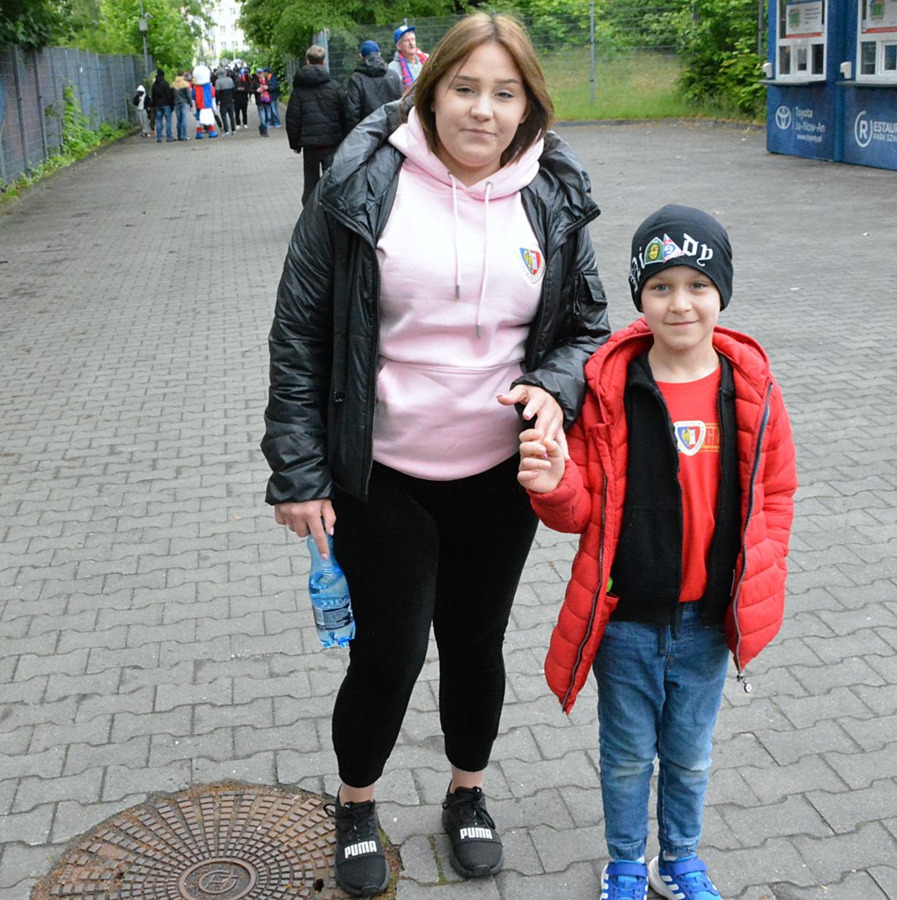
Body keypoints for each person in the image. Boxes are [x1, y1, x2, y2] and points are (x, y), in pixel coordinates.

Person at [263, 12, 608, 896]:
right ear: (428, 90)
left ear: (528, 106)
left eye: (505, 93)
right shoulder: (362, 182)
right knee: (388, 654)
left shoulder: (552, 193)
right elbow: (300, 332)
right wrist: (298, 472)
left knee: (475, 643)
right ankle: (355, 803)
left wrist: (555, 387)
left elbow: (588, 329)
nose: (482, 110)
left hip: (499, 476)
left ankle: (467, 792)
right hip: (382, 473)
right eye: (465, 88)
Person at [518, 206, 797, 900]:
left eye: (698, 285)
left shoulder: (750, 387)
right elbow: (581, 508)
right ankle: (624, 863)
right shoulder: (608, 391)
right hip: (626, 623)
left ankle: (680, 858)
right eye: (661, 286)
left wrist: (765, 564)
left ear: (722, 292)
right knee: (625, 757)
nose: (681, 303)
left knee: (691, 757)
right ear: (639, 296)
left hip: (707, 622)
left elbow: (776, 491)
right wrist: (553, 486)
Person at [287, 45, 351, 205]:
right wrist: (345, 138)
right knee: (332, 182)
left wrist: (295, 144)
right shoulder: (335, 87)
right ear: (324, 62)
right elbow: (345, 115)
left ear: (307, 61)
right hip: (332, 143)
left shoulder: (299, 90)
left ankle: (310, 215)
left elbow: (293, 118)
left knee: (310, 183)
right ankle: (330, 214)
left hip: (310, 147)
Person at [346, 40, 404, 125]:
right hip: (391, 127)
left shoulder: (356, 79)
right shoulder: (393, 75)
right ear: (379, 54)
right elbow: (401, 104)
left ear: (361, 56)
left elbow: (352, 111)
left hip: (367, 129)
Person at [388, 23, 429, 95]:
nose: (411, 43)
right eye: (406, 40)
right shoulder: (392, 68)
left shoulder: (427, 59)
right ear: (398, 46)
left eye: (412, 39)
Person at [151, 68, 174, 142]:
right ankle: (169, 137)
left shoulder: (154, 85)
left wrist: (153, 105)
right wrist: (171, 105)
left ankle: (159, 138)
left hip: (158, 105)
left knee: (159, 121)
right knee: (168, 121)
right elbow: (169, 95)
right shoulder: (165, 84)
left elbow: (153, 96)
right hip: (166, 104)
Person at [215, 65, 238, 135]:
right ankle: (233, 129)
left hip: (223, 101)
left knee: (223, 116)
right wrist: (234, 98)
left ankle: (226, 130)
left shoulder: (218, 81)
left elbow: (217, 93)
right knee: (232, 116)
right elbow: (233, 90)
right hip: (230, 100)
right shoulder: (230, 79)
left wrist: (217, 102)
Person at [171, 71, 193, 141]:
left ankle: (179, 135)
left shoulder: (173, 84)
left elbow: (172, 95)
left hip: (176, 103)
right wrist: (190, 103)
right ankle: (184, 135)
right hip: (184, 103)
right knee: (184, 119)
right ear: (183, 75)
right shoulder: (185, 83)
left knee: (179, 120)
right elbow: (188, 95)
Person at [256, 69, 273, 137]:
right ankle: (265, 132)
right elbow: (249, 89)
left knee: (268, 117)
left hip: (267, 101)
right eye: (258, 73)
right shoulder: (255, 81)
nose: (260, 74)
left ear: (263, 73)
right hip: (260, 102)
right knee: (262, 117)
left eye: (261, 73)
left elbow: (273, 87)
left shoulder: (267, 80)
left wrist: (267, 87)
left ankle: (261, 127)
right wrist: (257, 90)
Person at [234, 64, 251, 129]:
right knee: (237, 112)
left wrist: (244, 89)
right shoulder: (235, 82)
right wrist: (237, 89)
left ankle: (245, 123)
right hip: (237, 99)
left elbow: (248, 89)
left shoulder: (246, 82)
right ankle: (238, 123)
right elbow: (233, 90)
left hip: (244, 98)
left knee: (244, 112)